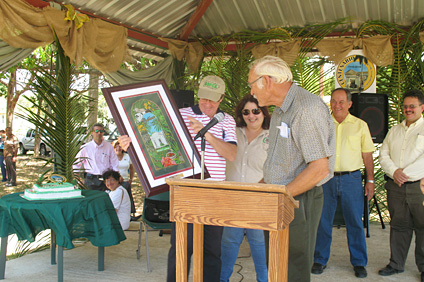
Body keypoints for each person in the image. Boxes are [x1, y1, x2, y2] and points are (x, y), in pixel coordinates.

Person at [117, 75, 237, 282]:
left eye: (212, 100)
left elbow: (231, 154)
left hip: (215, 193)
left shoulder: (227, 120)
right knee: (182, 246)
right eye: (203, 98)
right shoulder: (180, 114)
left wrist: (207, 133)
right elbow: (152, 141)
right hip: (185, 191)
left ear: (222, 98)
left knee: (212, 249)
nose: (206, 104)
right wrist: (130, 144)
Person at [248, 55, 335, 282]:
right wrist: (261, 190)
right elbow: (281, 161)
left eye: (251, 85)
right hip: (279, 197)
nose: (251, 93)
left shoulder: (306, 109)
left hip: (298, 199)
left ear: (266, 81)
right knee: (277, 266)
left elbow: (319, 169)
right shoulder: (279, 110)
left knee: (292, 268)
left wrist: (280, 196)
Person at [312, 88, 375, 278]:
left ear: (349, 104)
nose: (336, 105)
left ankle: (359, 262)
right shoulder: (322, 124)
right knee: (323, 221)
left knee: (355, 221)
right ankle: (319, 259)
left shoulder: (360, 125)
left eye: (341, 102)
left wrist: (370, 180)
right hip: (326, 178)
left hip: (352, 179)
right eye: (333, 101)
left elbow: (367, 155)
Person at [220, 94, 270, 282]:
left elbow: (277, 168)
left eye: (256, 111)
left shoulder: (273, 135)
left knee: (259, 246)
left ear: (263, 112)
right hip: (233, 200)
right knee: (228, 245)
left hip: (258, 201)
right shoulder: (232, 132)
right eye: (246, 112)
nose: (251, 116)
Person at [378, 89, 424, 281]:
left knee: (422, 227)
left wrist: (404, 174)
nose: (408, 109)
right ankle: (396, 264)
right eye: (405, 106)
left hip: (418, 187)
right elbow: (383, 153)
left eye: (412, 106)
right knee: (399, 226)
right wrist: (395, 172)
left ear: (422, 107)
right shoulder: (395, 130)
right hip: (395, 186)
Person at [73, 123, 119, 191]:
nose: (99, 133)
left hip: (106, 180)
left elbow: (114, 163)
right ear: (92, 133)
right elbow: (76, 164)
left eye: (101, 131)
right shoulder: (85, 147)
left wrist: (116, 177)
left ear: (103, 132)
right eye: (96, 131)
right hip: (91, 181)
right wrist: (78, 179)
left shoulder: (109, 146)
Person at [112, 139, 137, 216]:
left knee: (128, 198)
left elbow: (131, 168)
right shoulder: (112, 157)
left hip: (125, 181)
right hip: (115, 183)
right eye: (116, 147)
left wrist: (131, 179)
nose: (118, 148)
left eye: (119, 147)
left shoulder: (127, 156)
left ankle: (130, 214)